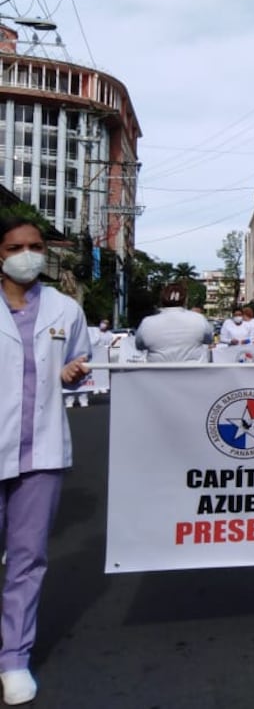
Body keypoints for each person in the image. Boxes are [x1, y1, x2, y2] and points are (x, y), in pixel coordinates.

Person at [0, 217, 90, 706]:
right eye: (16, 246)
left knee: (27, 559)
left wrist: (73, 374)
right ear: (0, 253)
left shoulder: (64, 308)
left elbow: (76, 368)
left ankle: (14, 657)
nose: (27, 254)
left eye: (35, 246)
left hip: (41, 452)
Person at [134, 281, 212, 363]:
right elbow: (208, 340)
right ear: (185, 300)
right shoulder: (199, 319)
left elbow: (139, 346)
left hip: (157, 374)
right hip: (194, 374)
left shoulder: (147, 323)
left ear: (162, 300)